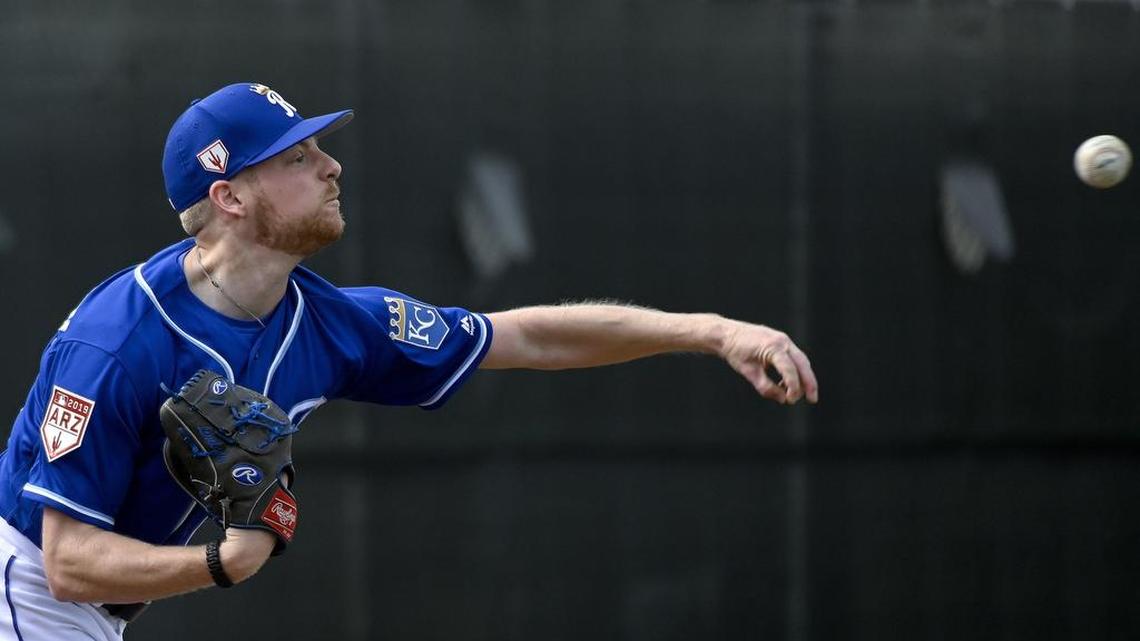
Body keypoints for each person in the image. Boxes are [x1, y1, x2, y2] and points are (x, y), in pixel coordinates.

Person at [0, 82, 818, 640]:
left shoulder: (330, 323)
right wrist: (223, 560)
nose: (331, 165)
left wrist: (712, 331)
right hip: (25, 587)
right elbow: (67, 562)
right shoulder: (116, 342)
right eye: (296, 157)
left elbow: (524, 337)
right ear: (230, 196)